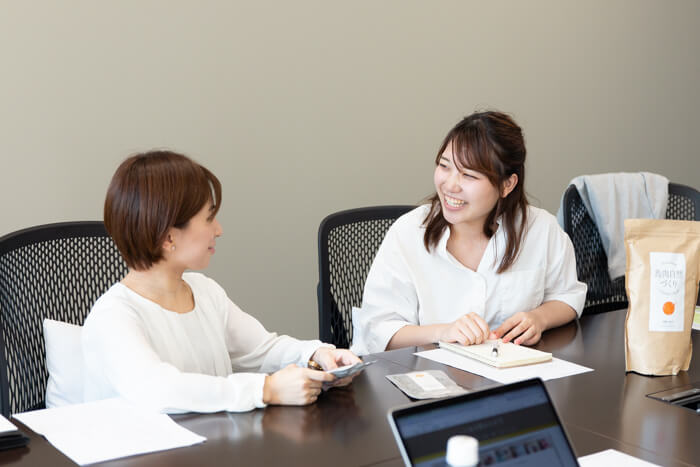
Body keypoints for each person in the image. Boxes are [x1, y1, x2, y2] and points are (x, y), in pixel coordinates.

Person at [83, 150, 361, 413]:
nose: (219, 230)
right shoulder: (113, 316)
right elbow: (159, 389)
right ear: (168, 237)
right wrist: (265, 390)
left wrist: (318, 355)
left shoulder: (205, 291)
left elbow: (261, 349)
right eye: (208, 218)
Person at [350, 111, 586, 355]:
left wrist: (539, 318)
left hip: (512, 381)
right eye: (444, 166)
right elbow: (377, 329)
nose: (450, 185)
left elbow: (569, 295)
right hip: (428, 381)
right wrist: (443, 332)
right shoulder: (407, 232)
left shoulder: (541, 229)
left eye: (469, 175)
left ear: (507, 184)